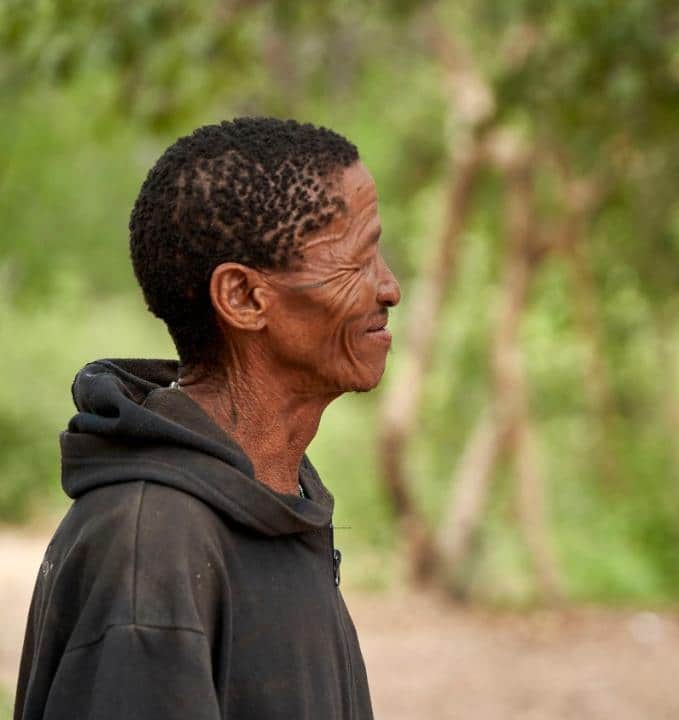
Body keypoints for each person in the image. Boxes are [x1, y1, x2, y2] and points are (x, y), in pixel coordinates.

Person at [15, 117, 400, 719]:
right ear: (243, 298)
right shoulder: (151, 548)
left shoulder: (272, 501)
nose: (390, 288)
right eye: (359, 260)